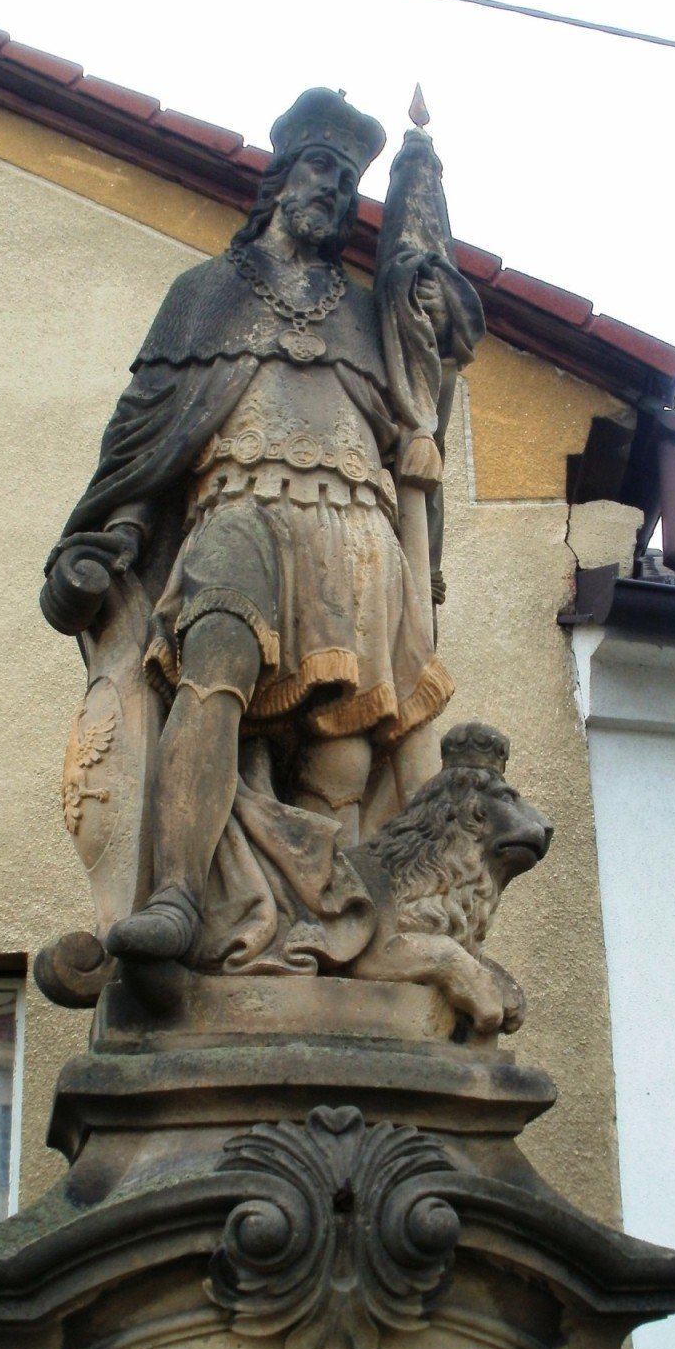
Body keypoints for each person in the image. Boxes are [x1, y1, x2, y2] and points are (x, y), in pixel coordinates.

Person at [44, 89, 483, 967]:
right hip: (237, 511)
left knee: (344, 761)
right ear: (280, 181)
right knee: (213, 673)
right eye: (320, 169)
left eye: (349, 182)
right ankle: (175, 896)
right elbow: (153, 432)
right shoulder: (204, 295)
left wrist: (427, 304)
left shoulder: (370, 316)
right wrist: (114, 534)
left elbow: (421, 406)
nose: (334, 191)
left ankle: (332, 934)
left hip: (354, 535)